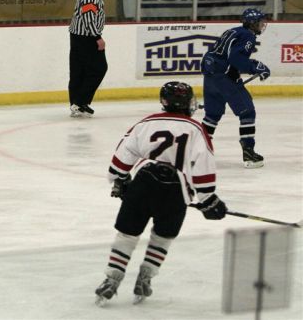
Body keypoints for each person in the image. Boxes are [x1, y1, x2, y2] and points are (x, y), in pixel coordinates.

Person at [94, 81, 227, 306]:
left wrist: (119, 179)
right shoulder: (196, 129)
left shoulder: (146, 123)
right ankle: (145, 278)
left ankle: (111, 280)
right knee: (163, 236)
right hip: (176, 189)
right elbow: (202, 163)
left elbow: (124, 154)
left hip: (143, 183)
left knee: (127, 234)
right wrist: (207, 198)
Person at [200, 8, 271, 168]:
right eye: (259, 22)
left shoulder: (233, 31)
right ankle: (248, 153)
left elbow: (219, 54)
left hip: (211, 77)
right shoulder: (248, 36)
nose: (262, 25)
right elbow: (236, 58)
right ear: (252, 23)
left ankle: (197, 151)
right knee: (247, 112)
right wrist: (256, 66)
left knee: (212, 115)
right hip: (225, 77)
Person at [67, 0, 110, 118]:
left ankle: (77, 103)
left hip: (81, 37)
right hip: (86, 38)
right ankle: (79, 102)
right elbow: (88, 18)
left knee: (80, 71)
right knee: (99, 68)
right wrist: (97, 37)